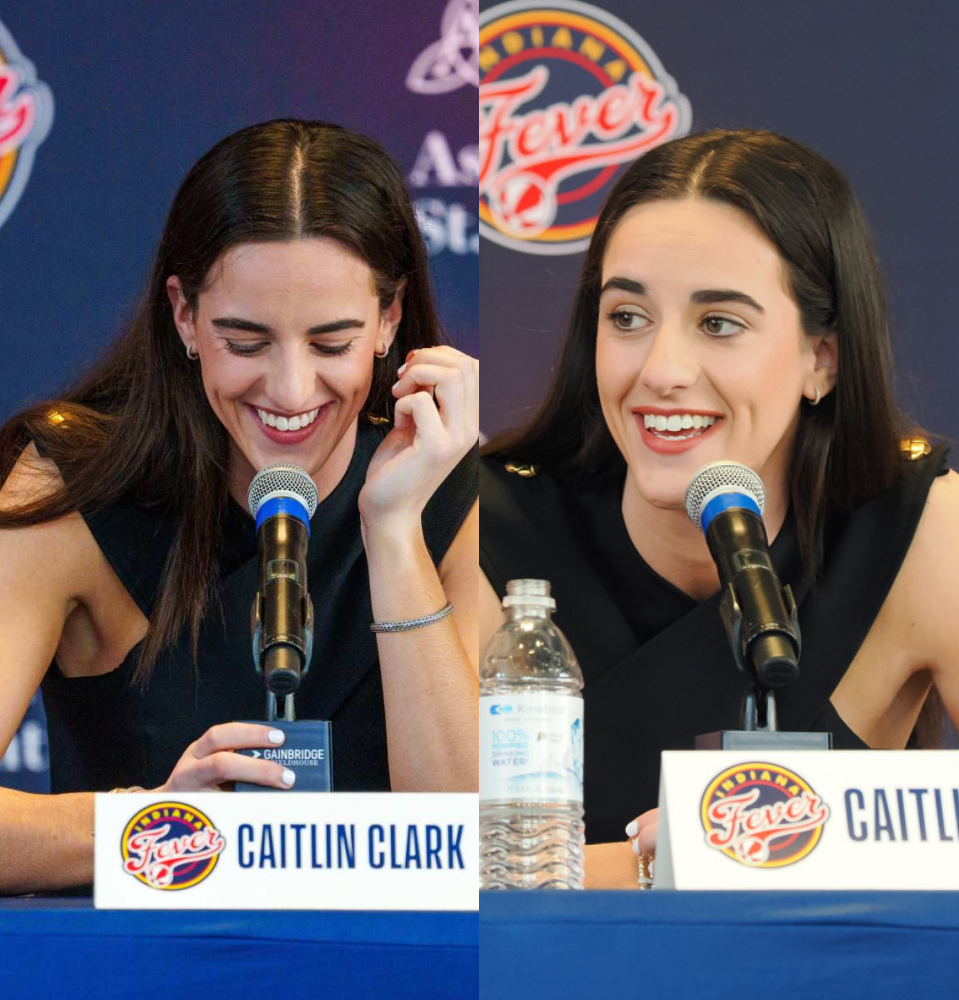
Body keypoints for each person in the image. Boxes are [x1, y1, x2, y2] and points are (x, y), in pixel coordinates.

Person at [0, 119, 479, 894]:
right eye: (245, 341)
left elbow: (469, 848)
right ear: (185, 316)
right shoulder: (73, 486)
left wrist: (391, 530)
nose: (290, 391)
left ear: (390, 321)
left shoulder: (445, 485)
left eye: (331, 344)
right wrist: (160, 826)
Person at [479, 129, 959, 888]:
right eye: (627, 318)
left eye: (718, 324)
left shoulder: (920, 527)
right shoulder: (490, 523)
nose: (662, 371)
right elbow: (440, 872)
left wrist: (726, 852)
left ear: (820, 360)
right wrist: (673, 862)